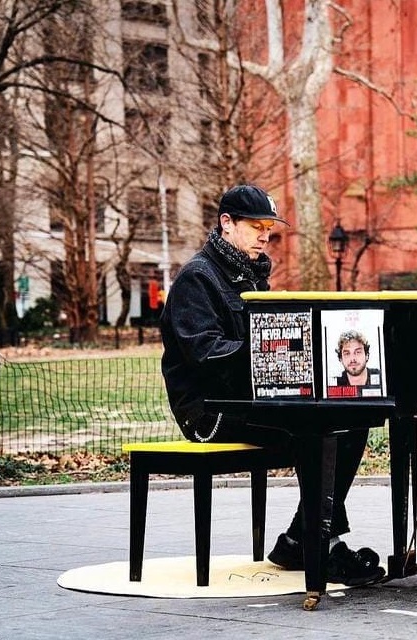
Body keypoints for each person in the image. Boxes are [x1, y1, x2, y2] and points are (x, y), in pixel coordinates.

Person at [160, 183, 384, 587]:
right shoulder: (197, 278)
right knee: (319, 429)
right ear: (226, 224)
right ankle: (319, 544)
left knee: (353, 420)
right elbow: (207, 355)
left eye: (269, 227)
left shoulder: (252, 276)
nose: (265, 235)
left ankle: (304, 537)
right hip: (209, 411)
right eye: (256, 226)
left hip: (251, 401)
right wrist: (273, 353)